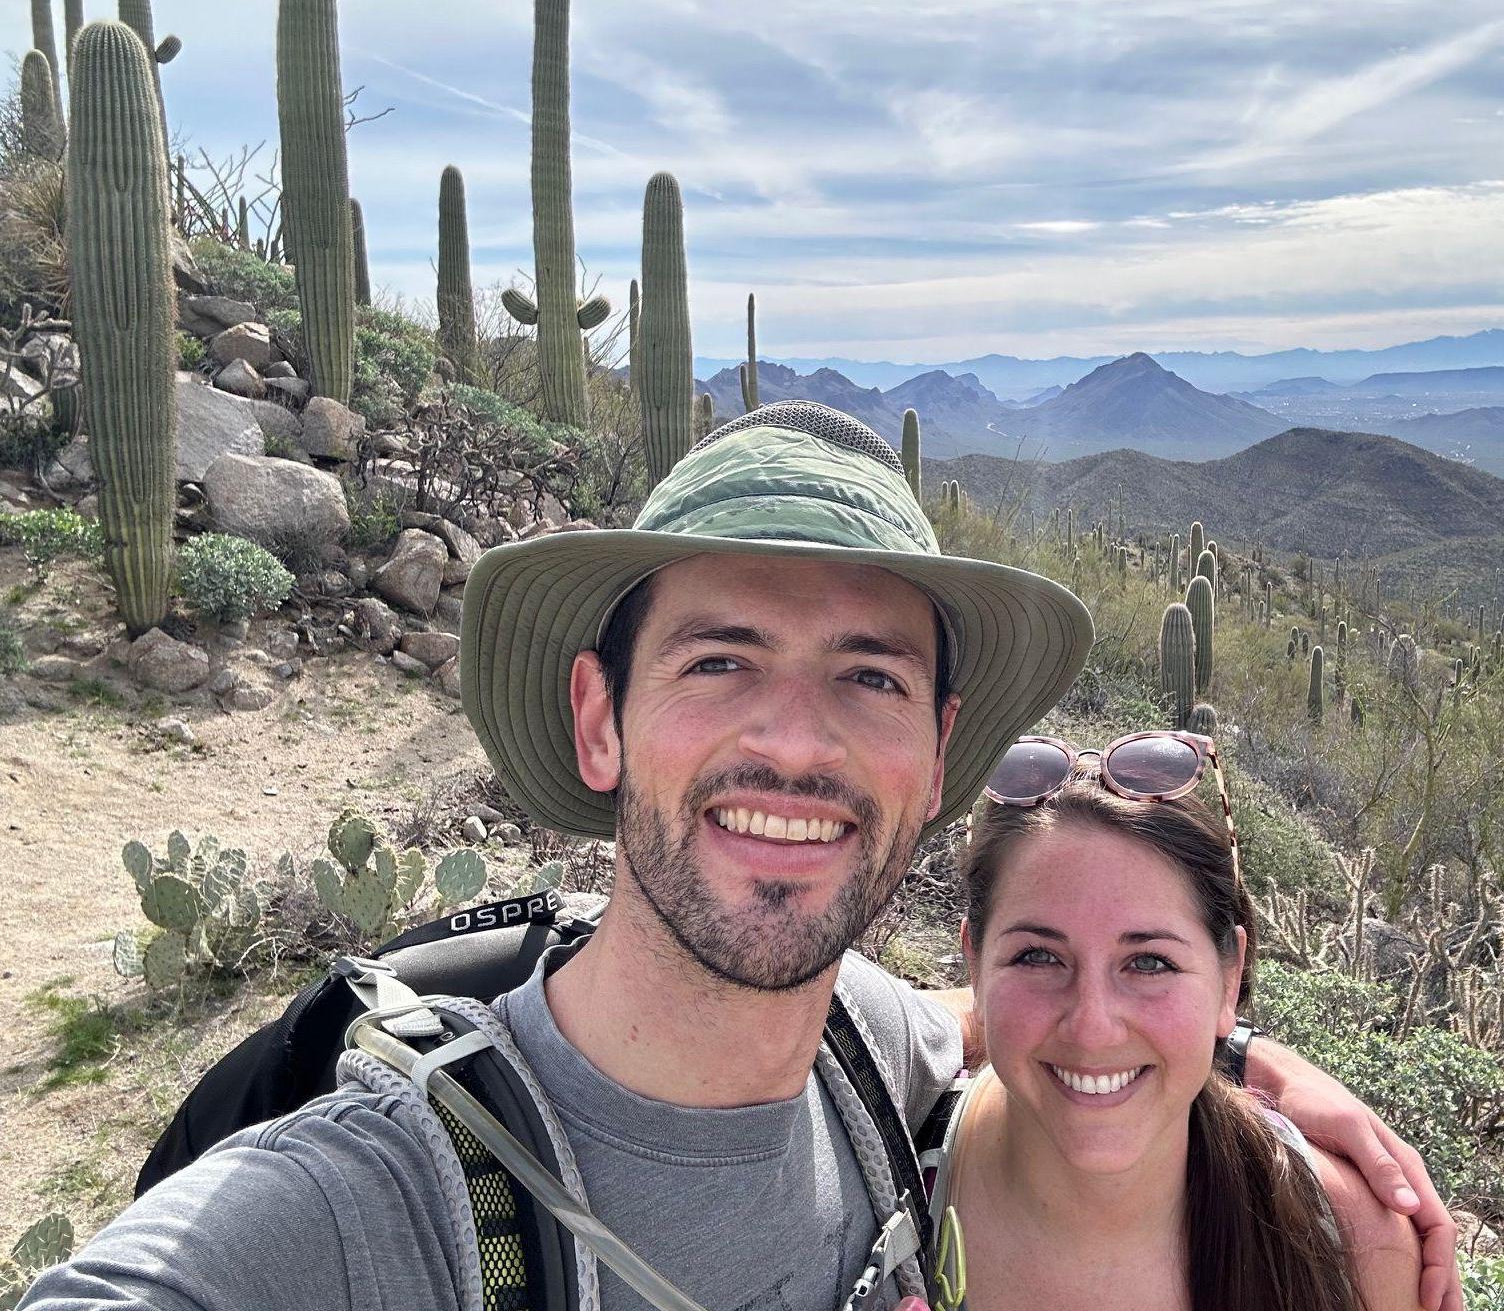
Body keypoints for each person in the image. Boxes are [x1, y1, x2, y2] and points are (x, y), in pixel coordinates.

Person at [22, 403, 1458, 1311]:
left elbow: (1044, 1017)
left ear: (938, 756)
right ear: (602, 723)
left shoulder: (876, 1061)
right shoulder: (363, 1213)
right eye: (720, 660)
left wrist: (1244, 1061)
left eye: (869, 678)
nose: (798, 741)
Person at [926, 732, 1422, 1311]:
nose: (1093, 1028)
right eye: (1038, 956)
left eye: (1149, 963)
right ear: (975, 966)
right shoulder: (884, 1157)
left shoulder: (1352, 1239)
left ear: (1228, 978)